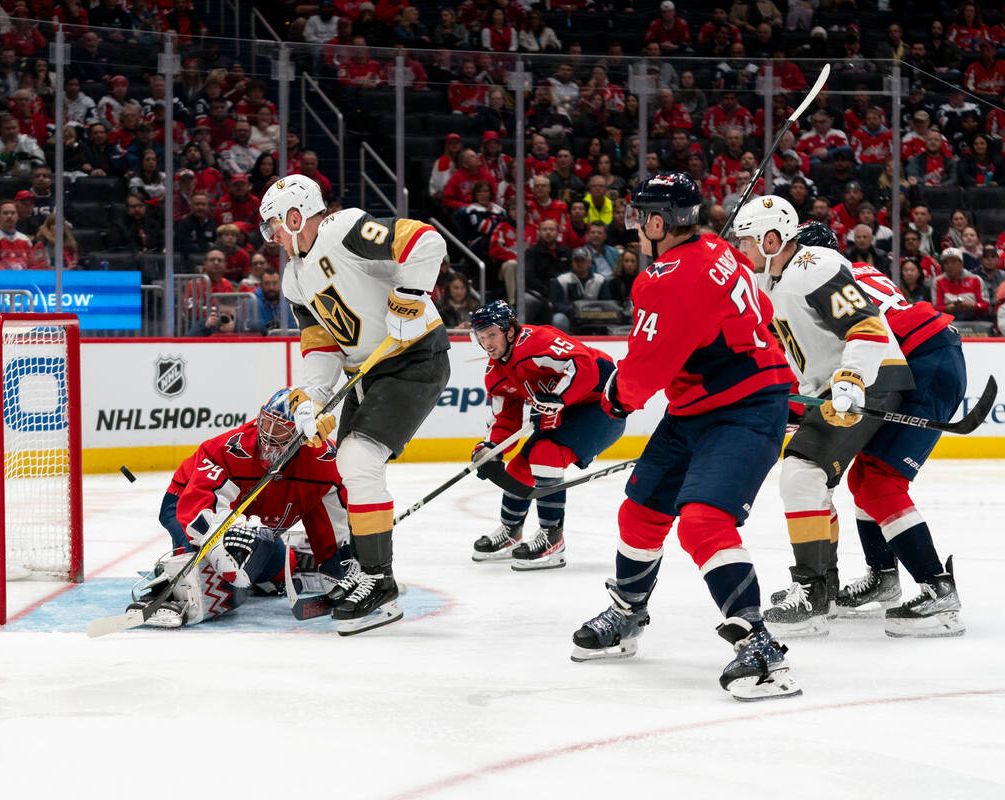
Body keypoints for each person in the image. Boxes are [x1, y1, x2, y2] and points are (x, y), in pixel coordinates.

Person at [571, 173, 799, 702]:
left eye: (639, 216)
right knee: (640, 512)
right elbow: (760, 315)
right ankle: (629, 611)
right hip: (699, 406)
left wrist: (613, 398)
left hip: (742, 410)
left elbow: (642, 376)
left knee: (703, 522)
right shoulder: (717, 249)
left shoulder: (665, 277)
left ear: (658, 222)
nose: (634, 227)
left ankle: (760, 647)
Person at [733, 198, 956, 641]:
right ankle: (824, 590)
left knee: (803, 473)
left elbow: (867, 326)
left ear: (772, 240)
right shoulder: (769, 279)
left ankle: (815, 594)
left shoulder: (813, 264)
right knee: (823, 479)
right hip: (836, 385)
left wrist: (851, 379)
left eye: (746, 241)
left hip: (869, 376)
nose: (741, 250)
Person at [257, 174, 451, 635]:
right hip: (366, 372)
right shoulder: (293, 278)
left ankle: (380, 587)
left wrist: (411, 296)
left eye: (274, 226)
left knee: (358, 459)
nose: (273, 238)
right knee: (349, 468)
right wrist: (312, 400)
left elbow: (426, 242)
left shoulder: (342, 229)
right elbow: (321, 342)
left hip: (413, 356)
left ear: (295, 214)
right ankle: (368, 570)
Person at [794, 220, 966, 635]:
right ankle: (883, 578)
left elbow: (847, 347)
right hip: (926, 352)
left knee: (879, 483)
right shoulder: (854, 272)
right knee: (865, 476)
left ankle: (938, 592)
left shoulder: (814, 281)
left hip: (923, 360)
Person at [129, 388, 351, 628]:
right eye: (266, 422)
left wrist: (339, 569)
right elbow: (196, 507)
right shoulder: (229, 449)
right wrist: (219, 540)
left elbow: (331, 524)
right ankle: (167, 593)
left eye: (280, 429)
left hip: (259, 520)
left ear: (302, 435)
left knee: (269, 558)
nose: (267, 434)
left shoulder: (325, 463)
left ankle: (292, 560)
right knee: (208, 572)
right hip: (188, 504)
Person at [469, 300, 624, 568]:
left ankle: (553, 539)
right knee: (519, 468)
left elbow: (585, 366)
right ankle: (510, 532)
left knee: (545, 454)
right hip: (566, 411)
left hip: (603, 407)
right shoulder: (496, 374)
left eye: (491, 334)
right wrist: (491, 449)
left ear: (509, 330)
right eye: (481, 338)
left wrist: (557, 399)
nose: (487, 344)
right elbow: (505, 419)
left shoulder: (536, 343)